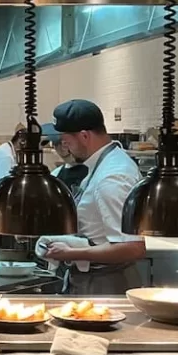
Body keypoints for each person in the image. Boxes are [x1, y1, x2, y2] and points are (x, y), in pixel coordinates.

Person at [37, 100, 146, 294]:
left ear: (84, 136)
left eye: (66, 141)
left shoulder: (112, 178)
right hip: (92, 278)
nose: (66, 147)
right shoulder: (102, 163)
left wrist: (71, 253)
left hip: (106, 283)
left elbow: (132, 247)